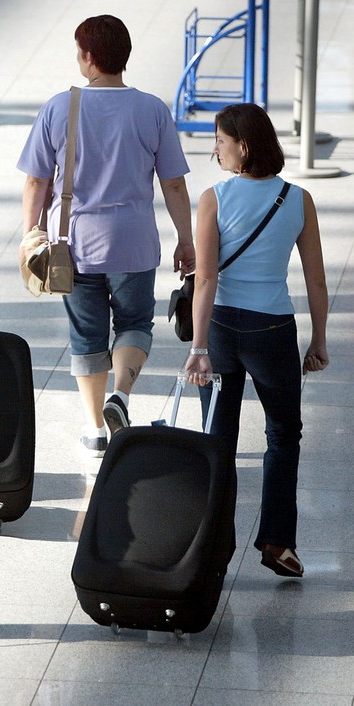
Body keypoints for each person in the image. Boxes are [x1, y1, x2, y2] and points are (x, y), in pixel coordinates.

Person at [17, 15, 195, 457]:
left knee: (86, 334)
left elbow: (37, 182)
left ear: (88, 57)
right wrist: (186, 238)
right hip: (133, 243)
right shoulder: (153, 109)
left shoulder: (60, 107)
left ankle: (95, 428)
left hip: (71, 245)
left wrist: (30, 235)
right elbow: (173, 183)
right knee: (135, 324)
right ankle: (123, 395)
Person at [185, 103, 328, 579]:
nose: (215, 150)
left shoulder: (214, 198)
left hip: (223, 331)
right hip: (273, 332)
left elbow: (205, 279)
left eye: (220, 142)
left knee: (218, 439)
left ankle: (212, 546)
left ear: (243, 147)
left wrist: (199, 349)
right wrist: (319, 340)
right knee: (284, 436)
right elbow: (316, 282)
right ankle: (277, 543)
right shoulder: (297, 199)